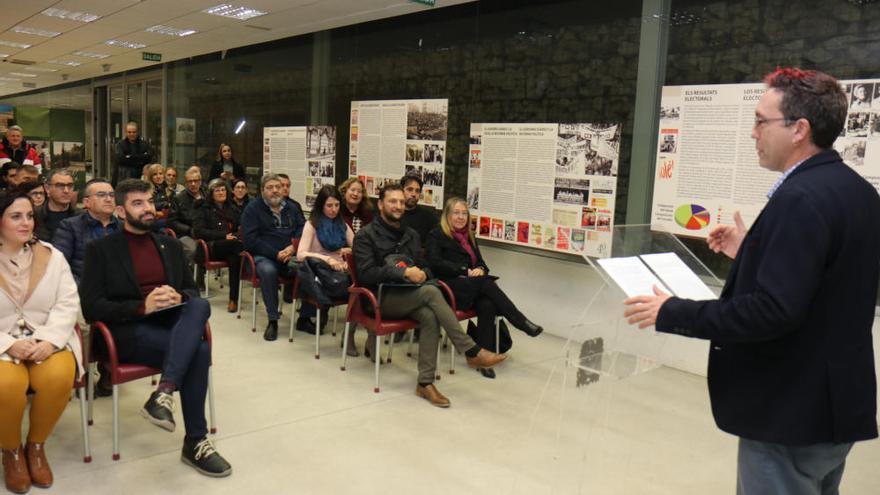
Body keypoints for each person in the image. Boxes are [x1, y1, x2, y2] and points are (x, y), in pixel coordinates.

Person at [623, 68, 880, 495]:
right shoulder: (856, 191)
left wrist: (672, 311)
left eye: (761, 121)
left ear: (799, 129)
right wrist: (752, 251)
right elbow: (832, 279)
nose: (752, 132)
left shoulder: (800, 197)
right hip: (834, 405)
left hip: (790, 409)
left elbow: (772, 311)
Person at [80, 179, 232, 478]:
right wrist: (142, 307)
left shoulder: (171, 245)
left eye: (150, 201)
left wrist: (179, 297)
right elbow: (92, 307)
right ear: (121, 212)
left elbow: (191, 291)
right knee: (199, 351)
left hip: (169, 324)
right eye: (138, 204)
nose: (148, 208)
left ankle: (164, 392)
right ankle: (195, 442)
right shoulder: (101, 250)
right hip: (126, 330)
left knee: (199, 306)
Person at [352, 183, 507, 408]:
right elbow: (366, 274)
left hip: (411, 294)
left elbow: (427, 265)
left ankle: (425, 383)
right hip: (379, 297)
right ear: (381, 204)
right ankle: (471, 350)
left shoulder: (411, 234)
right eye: (392, 202)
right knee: (431, 292)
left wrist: (422, 273)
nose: (398, 206)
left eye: (401, 202)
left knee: (429, 314)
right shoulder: (366, 235)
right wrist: (403, 272)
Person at [0, 188, 81, 493]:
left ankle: (35, 446)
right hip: (3, 342)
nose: (26, 223)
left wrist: (49, 340)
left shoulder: (50, 254)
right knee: (6, 386)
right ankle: (10, 451)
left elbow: (67, 301)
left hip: (45, 336)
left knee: (59, 375)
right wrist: (7, 344)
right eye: (15, 216)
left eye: (29, 216)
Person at [425, 198, 542, 379]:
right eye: (456, 213)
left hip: (472, 286)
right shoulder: (436, 234)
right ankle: (520, 321)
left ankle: (483, 359)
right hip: (449, 288)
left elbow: (481, 263)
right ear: (447, 215)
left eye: (464, 213)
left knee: (487, 304)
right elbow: (434, 263)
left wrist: (480, 269)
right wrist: (465, 270)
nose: (460, 217)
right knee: (486, 283)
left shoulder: (469, 237)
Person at [240, 174, 310, 340]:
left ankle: (305, 317)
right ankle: (273, 320)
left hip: (290, 254)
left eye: (277, 187)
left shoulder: (292, 207)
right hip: (263, 256)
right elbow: (251, 241)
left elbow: (303, 229)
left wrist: (293, 247)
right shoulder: (252, 209)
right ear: (262, 190)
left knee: (311, 266)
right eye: (270, 188)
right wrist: (275, 254)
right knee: (268, 270)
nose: (275, 191)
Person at [295, 185, 354, 351]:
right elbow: (301, 254)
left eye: (337, 205)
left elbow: (359, 247)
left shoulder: (342, 224)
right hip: (318, 267)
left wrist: (348, 252)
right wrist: (327, 259)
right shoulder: (312, 224)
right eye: (329, 206)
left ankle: (314, 317)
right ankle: (312, 316)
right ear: (321, 205)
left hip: (338, 270)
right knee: (331, 282)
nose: (334, 210)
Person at [54, 178, 121, 285]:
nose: (108, 199)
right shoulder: (70, 226)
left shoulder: (123, 227)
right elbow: (58, 265)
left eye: (112, 195)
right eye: (101, 195)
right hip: (83, 291)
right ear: (86, 202)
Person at [193, 179, 243, 313]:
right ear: (211, 194)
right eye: (217, 190)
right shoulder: (204, 208)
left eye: (223, 190)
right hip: (210, 247)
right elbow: (198, 231)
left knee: (235, 259)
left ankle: (233, 299)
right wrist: (223, 236)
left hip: (230, 247)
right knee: (237, 246)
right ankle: (245, 251)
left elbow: (239, 226)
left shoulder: (232, 208)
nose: (221, 193)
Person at [167, 166, 205, 267]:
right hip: (186, 234)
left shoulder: (207, 195)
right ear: (186, 183)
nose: (193, 184)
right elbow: (172, 221)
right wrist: (189, 230)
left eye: (195, 181)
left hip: (206, 232)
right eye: (190, 181)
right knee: (194, 249)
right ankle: (189, 276)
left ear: (200, 181)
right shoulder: (178, 198)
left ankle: (201, 277)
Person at [35, 169, 79, 242]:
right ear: (47, 188)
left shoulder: (82, 216)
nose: (66, 190)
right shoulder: (34, 215)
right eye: (60, 185)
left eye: (70, 186)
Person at [400, 174, 438, 242]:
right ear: (401, 191)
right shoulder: (394, 214)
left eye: (417, 191)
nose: (414, 194)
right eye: (410, 189)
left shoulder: (429, 217)